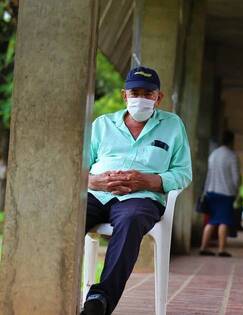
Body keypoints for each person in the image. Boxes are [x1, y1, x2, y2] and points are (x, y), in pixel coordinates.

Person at [82, 66, 192, 315]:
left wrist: (147, 180)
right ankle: (45, 284)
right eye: (135, 92)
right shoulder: (102, 124)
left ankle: (100, 299)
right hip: (98, 193)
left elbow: (183, 173)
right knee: (67, 216)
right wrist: (93, 181)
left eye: (147, 93)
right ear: (124, 95)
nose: (140, 98)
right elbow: (77, 167)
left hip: (140, 198)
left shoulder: (173, 126)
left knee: (131, 220)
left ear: (158, 97)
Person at [199, 130, 240, 257]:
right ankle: (221, 249)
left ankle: (203, 247)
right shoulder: (231, 156)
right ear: (231, 141)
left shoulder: (213, 155)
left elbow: (208, 174)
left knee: (211, 221)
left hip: (211, 191)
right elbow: (236, 177)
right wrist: (235, 191)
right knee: (224, 221)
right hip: (226, 193)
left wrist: (205, 191)